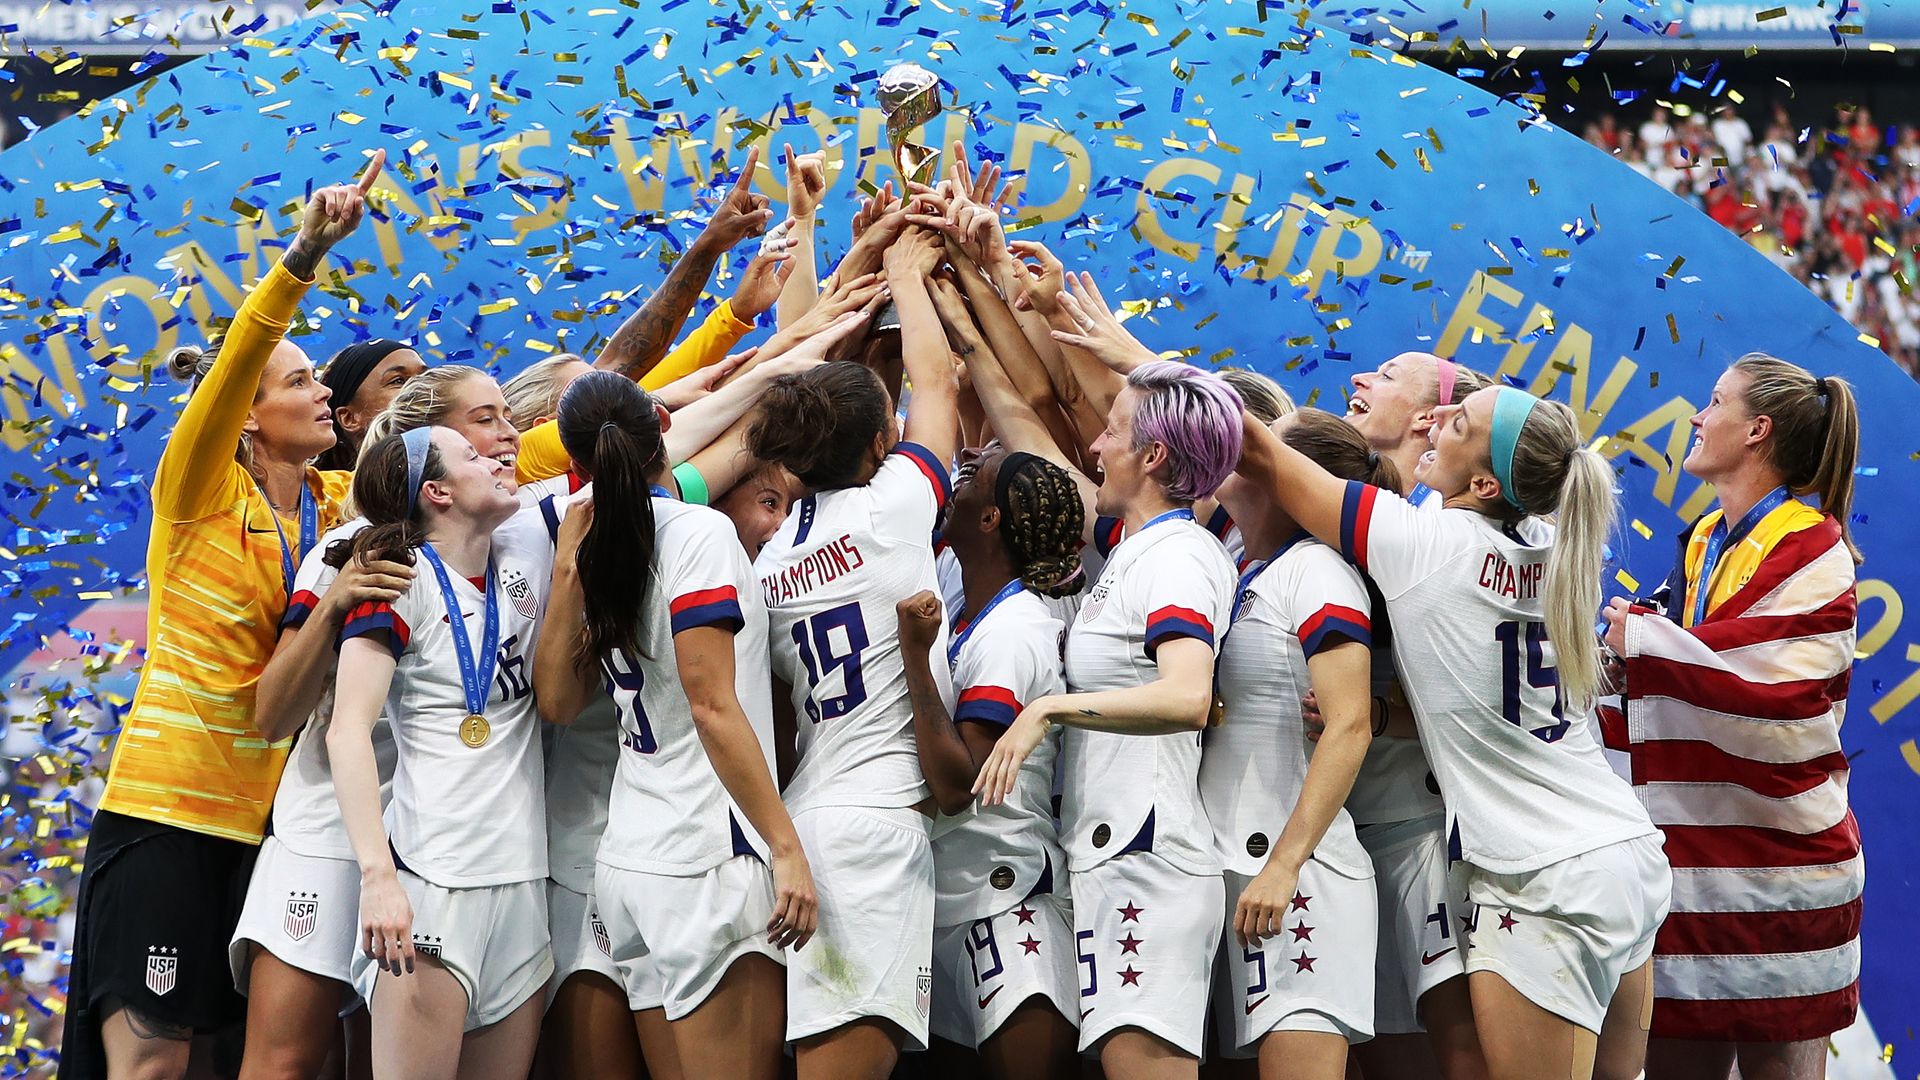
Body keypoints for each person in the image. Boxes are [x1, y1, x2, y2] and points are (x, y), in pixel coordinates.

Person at [1235, 383, 1672, 1080]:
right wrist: (1386, 717)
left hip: (1543, 879)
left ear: (1484, 480)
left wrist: (1122, 351)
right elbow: (1485, 700)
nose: (1437, 418)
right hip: (1626, 855)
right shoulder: (1558, 543)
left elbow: (1258, 448)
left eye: (1458, 420)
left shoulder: (1420, 543)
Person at [59, 152, 386, 1080]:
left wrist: (736, 332)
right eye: (299, 383)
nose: (324, 391)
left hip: (275, 833)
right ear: (244, 417)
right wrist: (303, 255)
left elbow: (514, 451)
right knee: (153, 1069)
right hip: (169, 818)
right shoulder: (196, 493)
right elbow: (240, 356)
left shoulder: (335, 505)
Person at [231, 362, 546, 1080]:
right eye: (484, 421)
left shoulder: (510, 536)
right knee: (287, 1061)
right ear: (429, 450)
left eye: (509, 416)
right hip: (336, 835)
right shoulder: (351, 555)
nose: (508, 435)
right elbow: (273, 714)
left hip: (443, 836)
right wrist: (338, 602)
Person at [531, 371, 819, 1080]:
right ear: (663, 423)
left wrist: (567, 569)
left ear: (575, 463)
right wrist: (785, 847)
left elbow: (559, 703)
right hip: (707, 856)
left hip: (629, 860)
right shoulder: (699, 532)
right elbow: (711, 704)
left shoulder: (591, 540)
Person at [975, 360, 1244, 1080]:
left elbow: (1188, 695)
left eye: (1112, 430)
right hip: (1116, 856)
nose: (1095, 445)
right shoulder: (1136, 553)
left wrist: (1049, 707)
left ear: (1153, 455)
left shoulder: (1182, 557)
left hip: (1147, 860)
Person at [1600, 354, 1863, 1080]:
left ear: (1757, 430)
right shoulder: (1708, 535)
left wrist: (1651, 642)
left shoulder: (1812, 544)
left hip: (1782, 868)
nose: (1696, 415)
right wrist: (1635, 648)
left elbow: (1768, 671)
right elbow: (1691, 657)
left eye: (1713, 402)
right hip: (1695, 869)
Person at [747, 224, 959, 1080]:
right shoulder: (893, 510)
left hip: (799, 822)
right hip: (873, 832)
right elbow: (941, 381)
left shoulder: (768, 559)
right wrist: (908, 273)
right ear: (882, 445)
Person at [326, 425, 557, 1080]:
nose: (498, 459)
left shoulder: (520, 560)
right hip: (432, 883)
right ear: (438, 491)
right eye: (474, 456)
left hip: (522, 883)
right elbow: (346, 732)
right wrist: (378, 879)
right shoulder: (401, 583)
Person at [1204, 409, 1398, 1079]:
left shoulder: (1320, 572)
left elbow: (1350, 724)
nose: (1240, 448)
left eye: (1262, 442)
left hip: (1298, 881)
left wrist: (1285, 865)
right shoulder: (1246, 570)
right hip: (1236, 868)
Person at [895, 446, 1087, 1080]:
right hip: (960, 894)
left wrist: (916, 662)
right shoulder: (972, 612)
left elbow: (958, 785)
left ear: (990, 519)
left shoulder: (1013, 630)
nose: (958, 481)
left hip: (1010, 904)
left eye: (973, 479)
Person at [1343, 352, 1494, 1080]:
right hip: (1358, 826)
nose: (1361, 379)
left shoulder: (1446, 527)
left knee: (1455, 1041)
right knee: (1384, 1046)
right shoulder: (1384, 512)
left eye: (1387, 373)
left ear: (1430, 416)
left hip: (1429, 830)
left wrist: (1369, 713)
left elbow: (1473, 688)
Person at [315, 339, 428, 470]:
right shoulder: (322, 489)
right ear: (349, 418)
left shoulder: (452, 479)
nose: (423, 386)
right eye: (398, 380)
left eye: (426, 376)